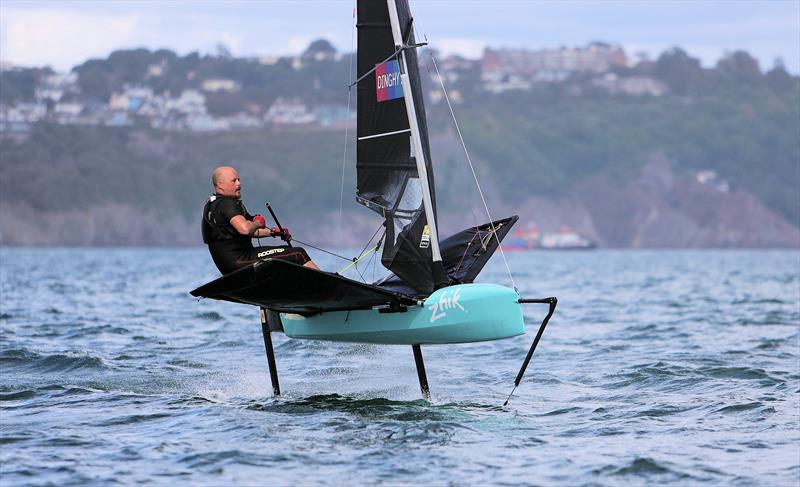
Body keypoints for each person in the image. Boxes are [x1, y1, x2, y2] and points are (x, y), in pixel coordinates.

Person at [201, 166, 320, 275]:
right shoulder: (227, 204)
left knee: (287, 251)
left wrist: (273, 232)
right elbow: (245, 229)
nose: (239, 184)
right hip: (240, 261)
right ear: (220, 184)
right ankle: (326, 283)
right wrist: (258, 223)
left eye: (239, 179)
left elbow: (251, 230)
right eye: (234, 181)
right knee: (298, 253)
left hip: (229, 265)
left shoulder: (215, 205)